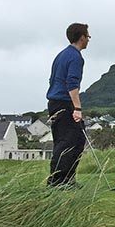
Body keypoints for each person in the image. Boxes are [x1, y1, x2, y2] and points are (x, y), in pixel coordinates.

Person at [46, 23, 90, 186]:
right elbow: (72, 84)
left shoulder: (61, 55)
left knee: (77, 140)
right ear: (82, 37)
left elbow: (52, 79)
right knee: (68, 142)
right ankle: (57, 181)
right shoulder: (75, 57)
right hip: (65, 104)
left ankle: (68, 179)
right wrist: (77, 108)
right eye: (87, 36)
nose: (88, 40)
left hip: (56, 103)